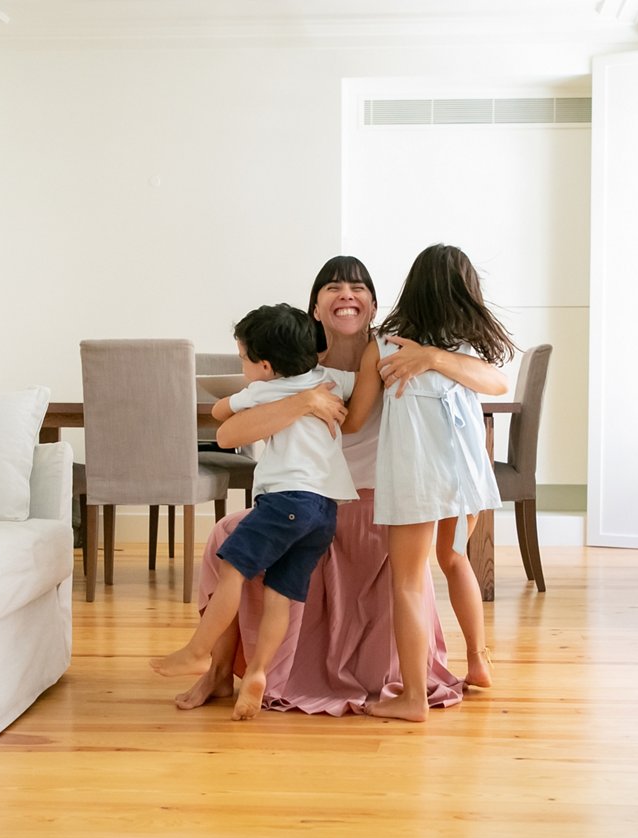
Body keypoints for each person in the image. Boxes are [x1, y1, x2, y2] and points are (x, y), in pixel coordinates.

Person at [172, 255, 489, 716]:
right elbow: (228, 432)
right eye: (333, 287)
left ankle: (449, 666)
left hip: (378, 506)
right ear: (315, 308)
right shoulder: (296, 369)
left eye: (358, 288)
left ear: (375, 306)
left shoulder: (394, 353)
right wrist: (302, 400)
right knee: (226, 533)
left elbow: (486, 379)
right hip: (311, 502)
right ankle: (220, 672)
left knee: (412, 559)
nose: (346, 294)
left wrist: (433, 358)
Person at [151, 303, 358, 720]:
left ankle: (198, 651)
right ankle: (259, 671)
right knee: (280, 596)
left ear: (265, 365)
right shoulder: (332, 382)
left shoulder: (265, 390)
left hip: (286, 500)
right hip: (324, 510)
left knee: (233, 569)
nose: (242, 365)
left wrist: (242, 396)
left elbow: (218, 414)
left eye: (242, 358)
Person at [343, 243, 514, 722]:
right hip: (465, 474)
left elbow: (356, 420)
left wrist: (316, 404)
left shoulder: (385, 346)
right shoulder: (467, 350)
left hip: (418, 476)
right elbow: (498, 384)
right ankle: (478, 661)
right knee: (454, 558)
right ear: (465, 292)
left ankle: (414, 696)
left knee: (409, 580)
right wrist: (439, 359)